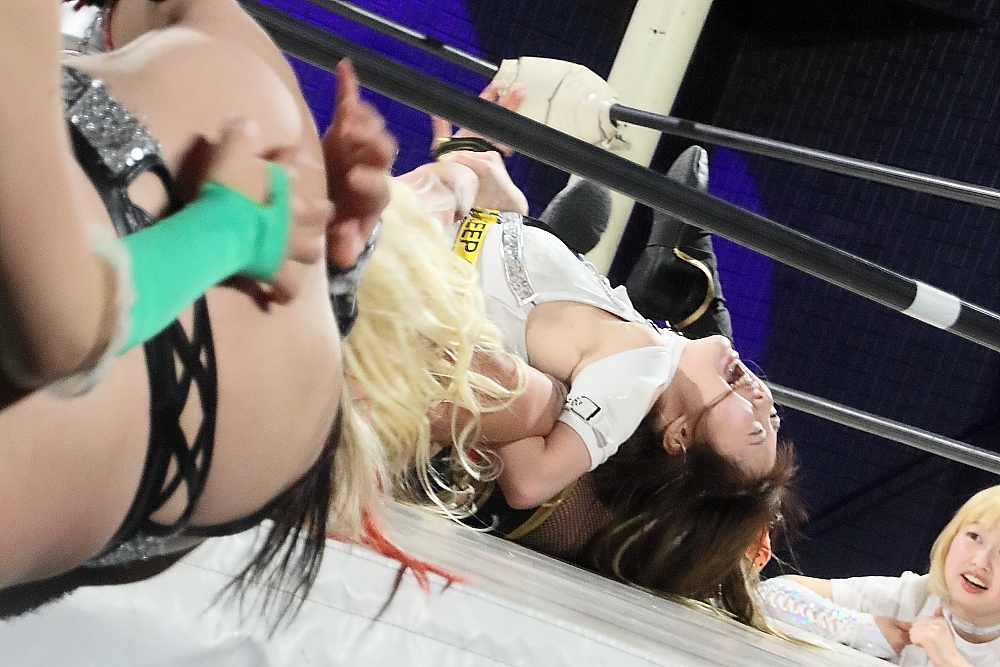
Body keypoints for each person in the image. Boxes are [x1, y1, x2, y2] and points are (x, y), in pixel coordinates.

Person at [0, 0, 394, 618]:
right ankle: (324, 267)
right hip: (247, 423)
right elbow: (63, 331)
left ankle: (324, 264)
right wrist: (231, 229)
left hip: (125, 424)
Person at [345, 98, 795, 629]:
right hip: (462, 258)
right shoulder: (641, 351)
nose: (764, 400)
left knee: (530, 388)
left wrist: (504, 350)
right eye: (774, 417)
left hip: (415, 291)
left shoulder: (626, 381)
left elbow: (530, 480)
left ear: (678, 436)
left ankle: (682, 281)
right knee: (483, 187)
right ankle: (679, 281)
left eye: (756, 431)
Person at [760, 484, 1000, 666]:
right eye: (974, 536)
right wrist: (859, 629)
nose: (979, 562)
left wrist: (950, 660)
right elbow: (769, 595)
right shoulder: (914, 595)